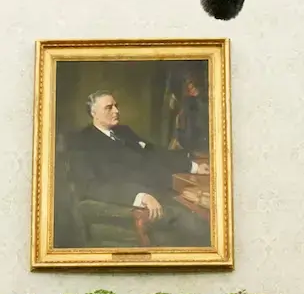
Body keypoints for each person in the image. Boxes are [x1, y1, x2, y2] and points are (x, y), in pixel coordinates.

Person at [65, 90, 212, 247]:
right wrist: (140, 196)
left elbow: (154, 152)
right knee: (202, 226)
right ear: (94, 113)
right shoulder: (81, 142)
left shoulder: (124, 132)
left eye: (116, 106)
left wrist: (193, 166)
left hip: (163, 192)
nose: (116, 111)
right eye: (109, 108)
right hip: (133, 207)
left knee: (205, 209)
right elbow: (91, 186)